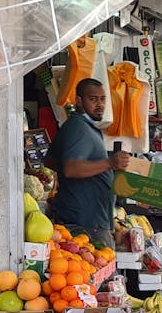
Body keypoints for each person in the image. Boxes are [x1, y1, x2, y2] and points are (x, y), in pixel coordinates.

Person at [43, 78, 129, 248]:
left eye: (102, 99)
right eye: (93, 99)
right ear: (79, 101)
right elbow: (70, 168)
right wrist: (109, 163)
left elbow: (50, 160)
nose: (99, 104)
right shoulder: (78, 128)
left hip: (91, 222)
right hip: (84, 225)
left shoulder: (83, 127)